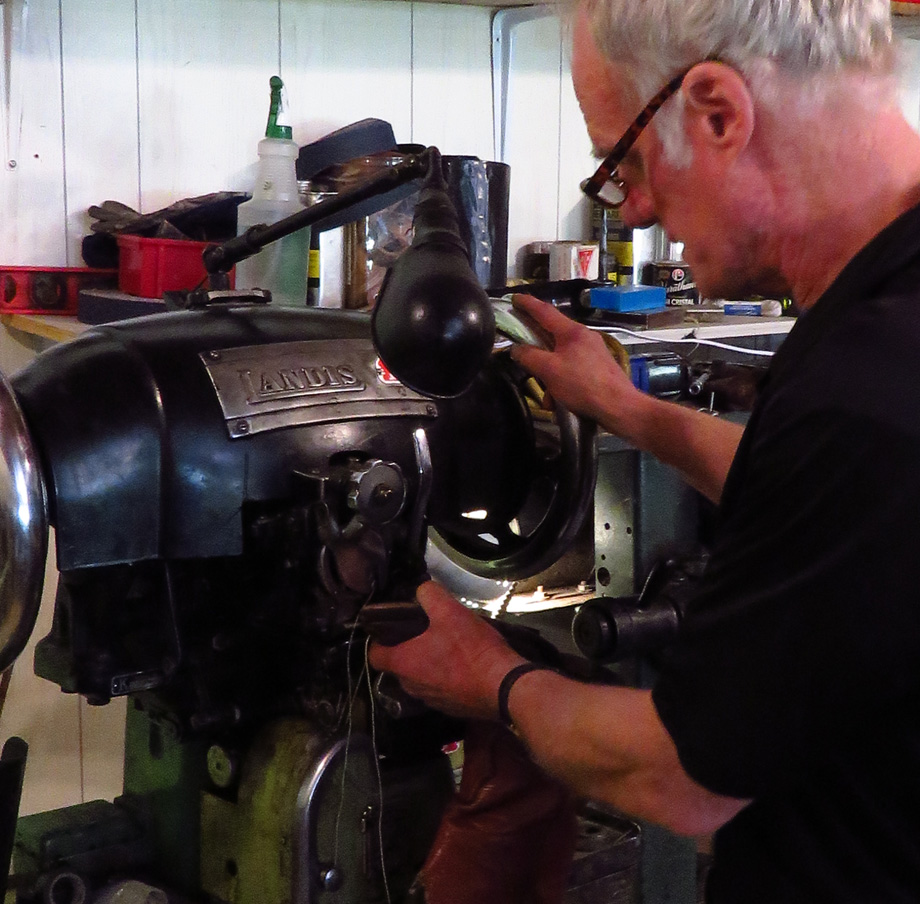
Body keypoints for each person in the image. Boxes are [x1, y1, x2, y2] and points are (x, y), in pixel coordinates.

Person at [369, 0, 920, 900]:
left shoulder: (868, 386)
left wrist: (488, 679)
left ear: (717, 111)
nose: (638, 212)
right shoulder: (881, 337)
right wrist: (626, 411)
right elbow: (845, 524)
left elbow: (679, 776)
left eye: (622, 165)